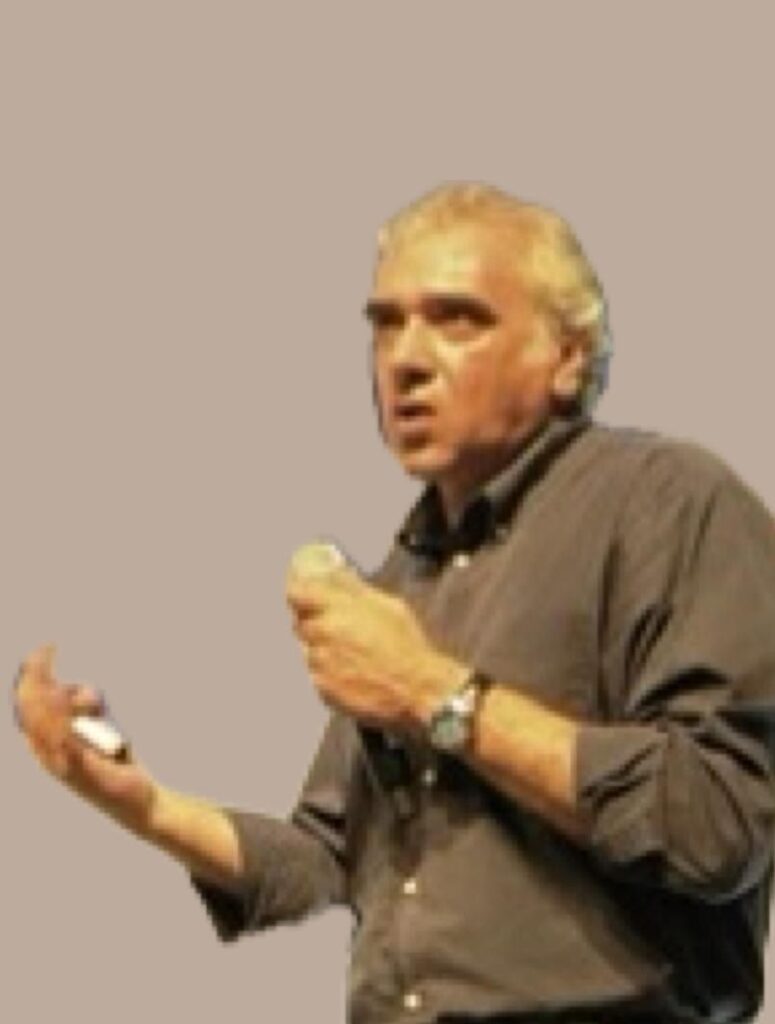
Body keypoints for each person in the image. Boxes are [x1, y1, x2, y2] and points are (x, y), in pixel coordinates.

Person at [14, 184, 775, 1024]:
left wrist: (432, 694)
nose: (404, 359)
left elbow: (717, 823)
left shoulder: (669, 504)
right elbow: (327, 860)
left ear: (566, 356)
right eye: (385, 323)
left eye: (457, 320)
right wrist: (141, 804)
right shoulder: (405, 577)